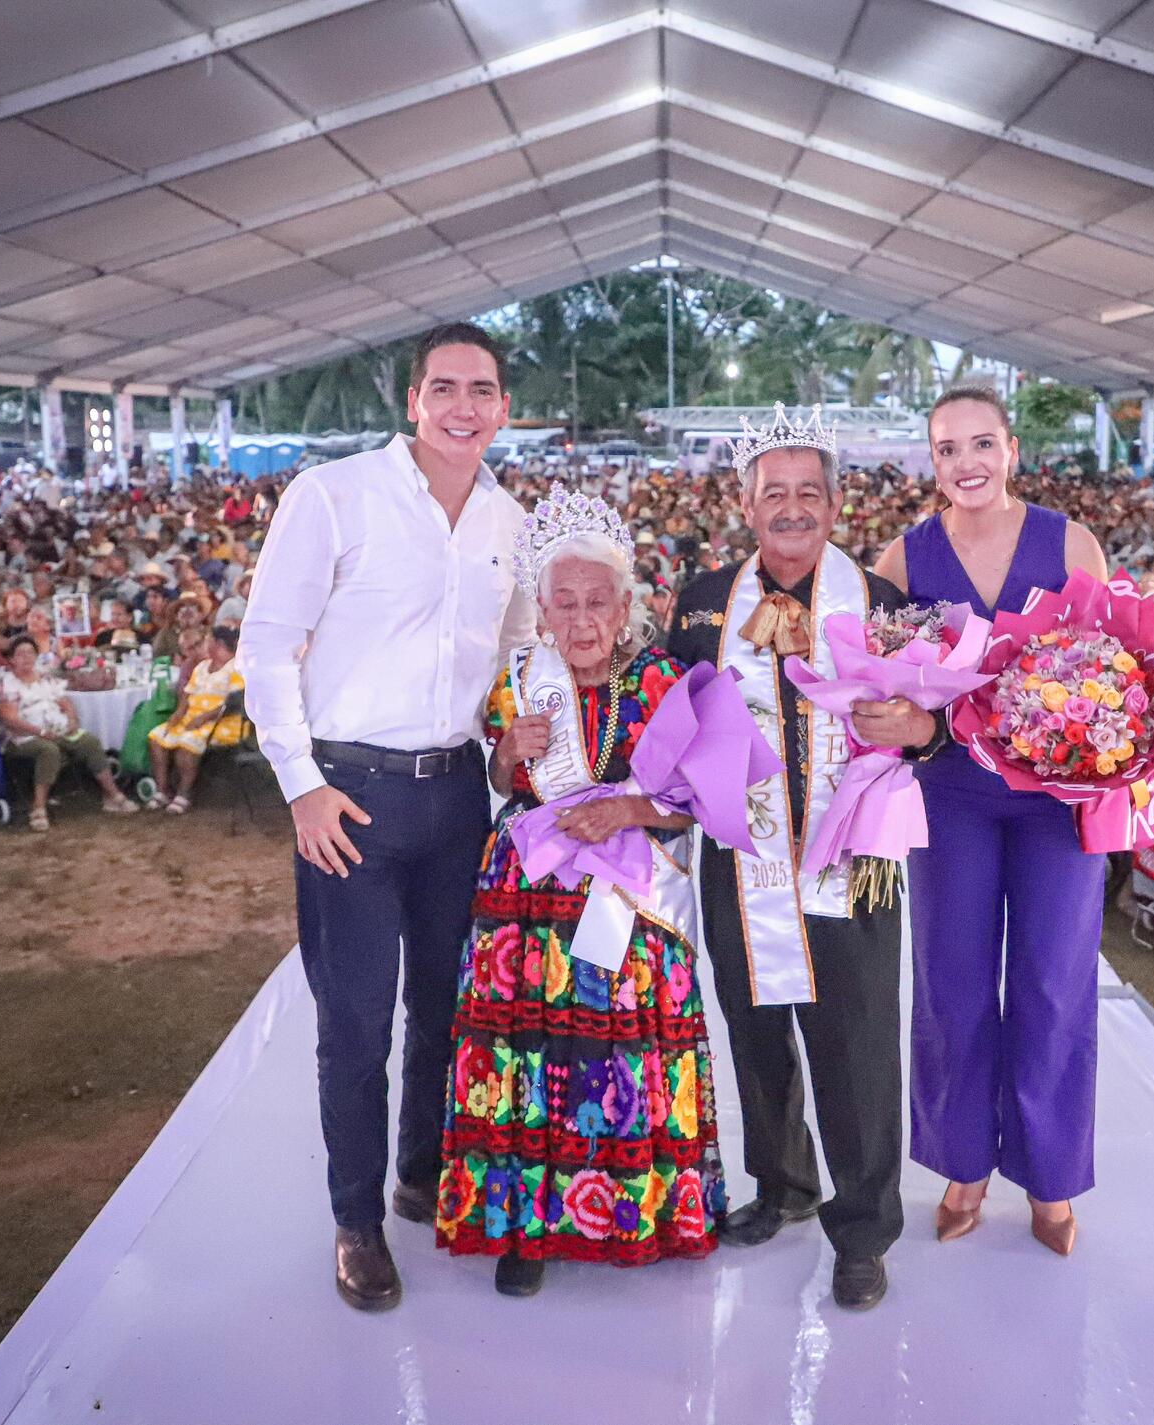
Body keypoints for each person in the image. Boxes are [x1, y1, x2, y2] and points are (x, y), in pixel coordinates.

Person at [240, 323, 533, 1313]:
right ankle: (355, 1222)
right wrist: (300, 782)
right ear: (412, 401)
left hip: (457, 795)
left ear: (502, 408)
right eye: (443, 387)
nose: (463, 406)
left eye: (481, 390)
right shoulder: (332, 496)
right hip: (350, 796)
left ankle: (420, 1174)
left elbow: (516, 655)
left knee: (446, 1008)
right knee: (356, 1023)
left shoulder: (506, 521)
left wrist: (520, 749)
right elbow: (267, 646)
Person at [671, 403, 930, 1312]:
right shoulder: (702, 600)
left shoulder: (886, 605)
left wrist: (920, 724)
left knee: (856, 1042)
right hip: (739, 859)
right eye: (773, 492)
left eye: (807, 492)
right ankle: (781, 1185)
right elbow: (671, 718)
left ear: (834, 503)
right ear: (746, 503)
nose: (791, 507)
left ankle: (862, 1227)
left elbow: (932, 724)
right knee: (754, 1025)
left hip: (852, 858)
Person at [436, 491, 722, 1298]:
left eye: (598, 600)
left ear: (626, 605)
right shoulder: (523, 679)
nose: (582, 616)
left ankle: (635, 1213)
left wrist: (627, 807)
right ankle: (524, 1226)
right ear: (545, 609)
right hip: (525, 906)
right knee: (527, 1055)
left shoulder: (663, 679)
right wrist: (506, 756)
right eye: (565, 602)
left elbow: (698, 796)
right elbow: (502, 783)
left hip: (626, 901)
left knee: (618, 1051)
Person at [875, 386, 1109, 1264]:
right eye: (946, 449)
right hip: (952, 794)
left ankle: (1049, 1173)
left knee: (1053, 982)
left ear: (1012, 449)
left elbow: (1114, 662)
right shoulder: (903, 557)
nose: (965, 463)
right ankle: (963, 1164)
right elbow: (880, 674)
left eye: (981, 444)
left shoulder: (1070, 540)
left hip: (1055, 796)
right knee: (952, 981)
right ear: (929, 461)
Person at [0, 635, 138, 831]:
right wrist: (41, 731)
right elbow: (11, 720)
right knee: (48, 750)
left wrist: (72, 720)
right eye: (20, 654)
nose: (26, 657)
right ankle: (38, 807)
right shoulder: (6, 685)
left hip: (55, 728)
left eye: (30, 653)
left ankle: (112, 795)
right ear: (12, 659)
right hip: (23, 736)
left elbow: (65, 702)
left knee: (89, 741)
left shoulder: (45, 678)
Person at [143, 626, 249, 814]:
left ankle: (184, 794)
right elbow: (187, 695)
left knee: (187, 743)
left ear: (218, 644)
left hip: (222, 722)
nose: (204, 645)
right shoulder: (201, 667)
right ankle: (162, 790)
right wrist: (177, 715)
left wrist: (204, 717)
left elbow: (234, 703)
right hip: (193, 719)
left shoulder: (236, 667)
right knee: (156, 737)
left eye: (207, 640)